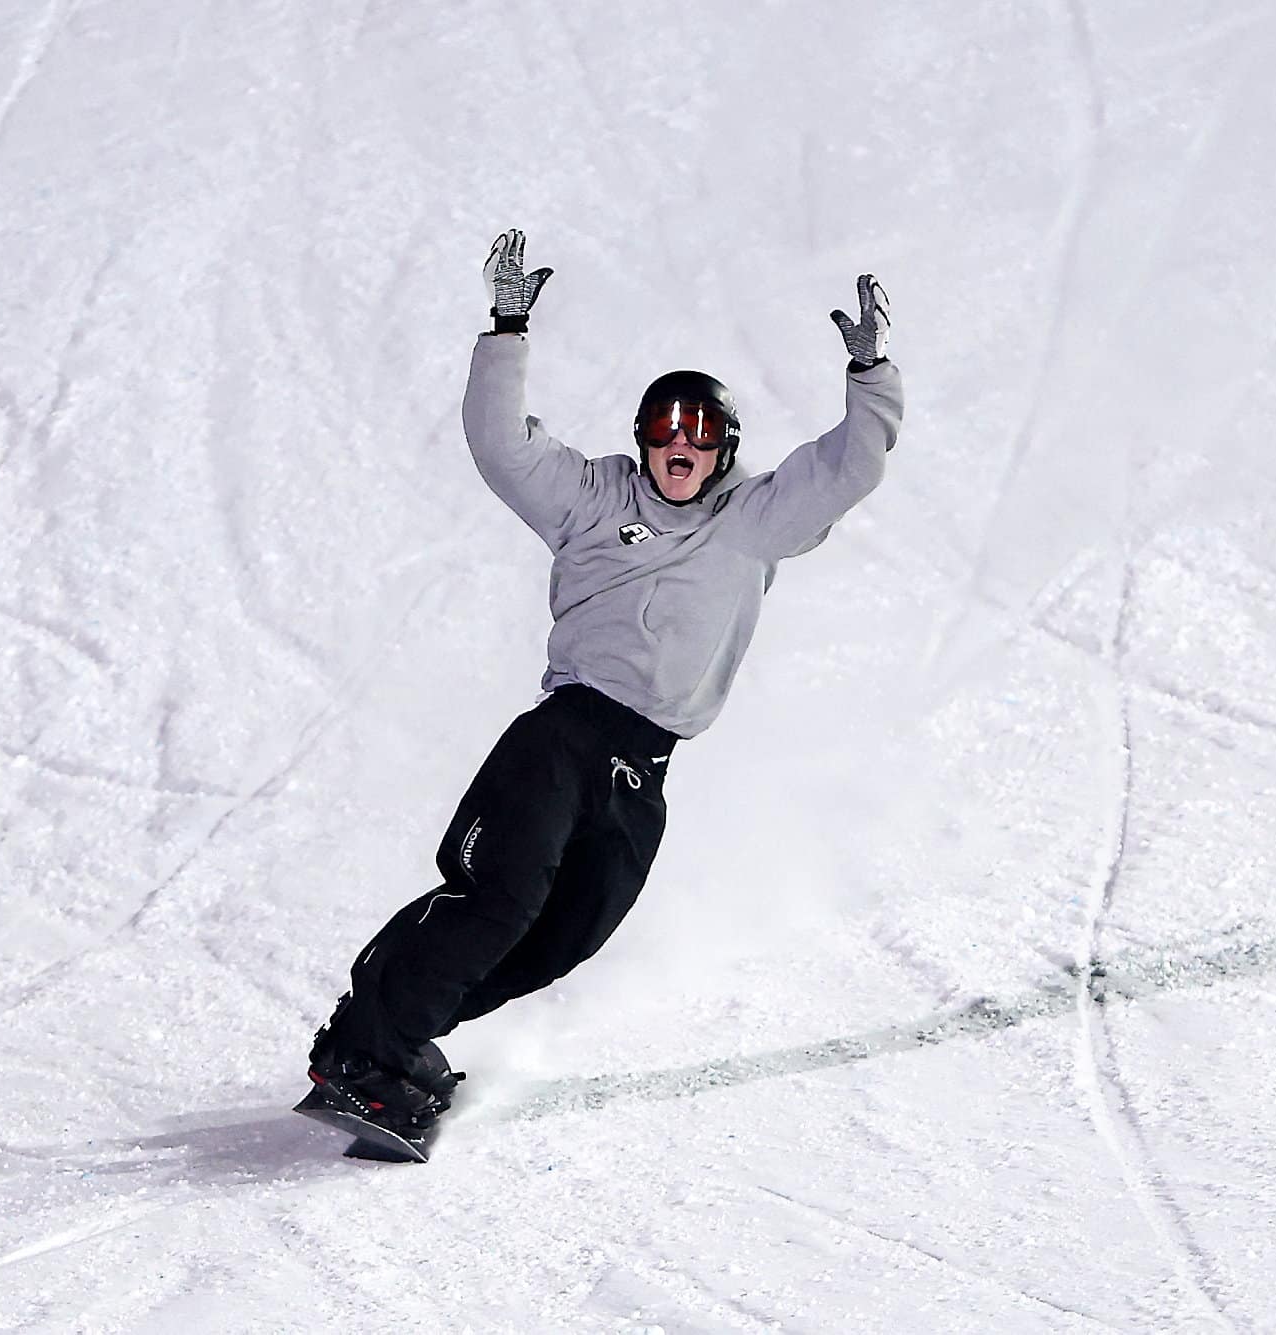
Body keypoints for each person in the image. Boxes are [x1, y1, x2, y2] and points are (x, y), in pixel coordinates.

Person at [302, 229, 903, 1145]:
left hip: (644, 769)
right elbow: (500, 445)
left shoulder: (752, 522)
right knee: (496, 898)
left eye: (699, 433)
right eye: (664, 428)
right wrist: (507, 327)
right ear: (643, 439)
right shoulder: (595, 498)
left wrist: (871, 374)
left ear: (724, 449)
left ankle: (402, 1034)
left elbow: (848, 468)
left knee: (560, 935)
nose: (679, 445)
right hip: (565, 740)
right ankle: (362, 1047)